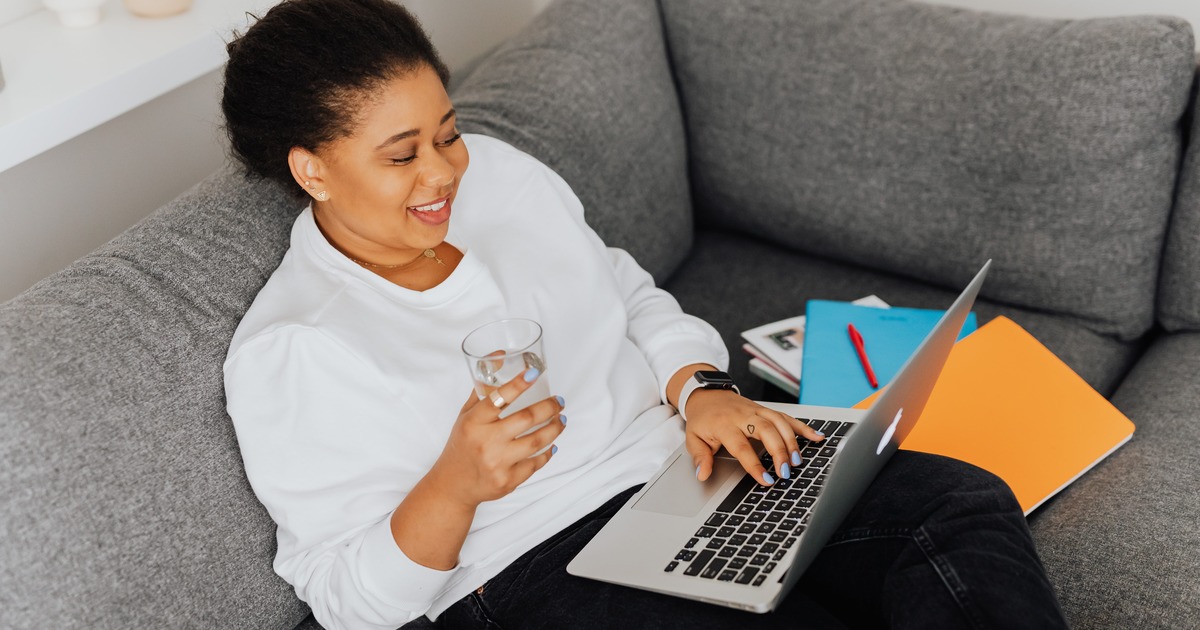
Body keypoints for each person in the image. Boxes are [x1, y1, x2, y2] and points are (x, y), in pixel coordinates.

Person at [221, 1, 1068, 628]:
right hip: (531, 571)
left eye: (446, 132)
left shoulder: (505, 179)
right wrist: (455, 484)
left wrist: (699, 389)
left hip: (682, 469)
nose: (444, 173)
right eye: (402, 155)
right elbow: (346, 601)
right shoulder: (291, 349)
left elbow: (624, 289)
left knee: (958, 505)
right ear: (314, 171)